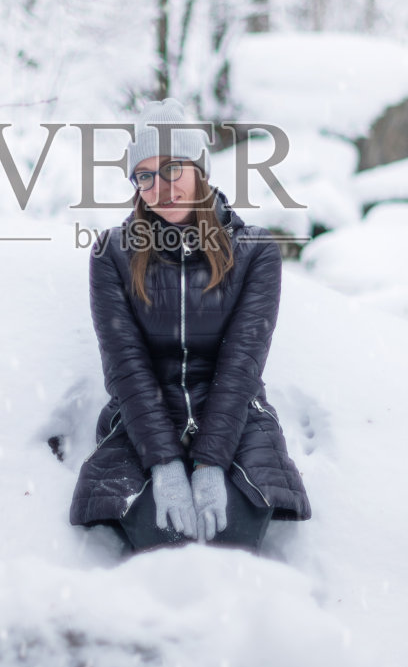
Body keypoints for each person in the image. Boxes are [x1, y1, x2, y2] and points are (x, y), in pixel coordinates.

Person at [68, 96, 311, 554]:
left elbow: (241, 367)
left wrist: (211, 464)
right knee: (164, 542)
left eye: (173, 168)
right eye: (145, 175)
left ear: (199, 169)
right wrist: (164, 465)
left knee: (228, 540)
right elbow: (126, 368)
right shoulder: (111, 254)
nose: (162, 186)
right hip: (142, 422)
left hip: (234, 419)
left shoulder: (255, 252)